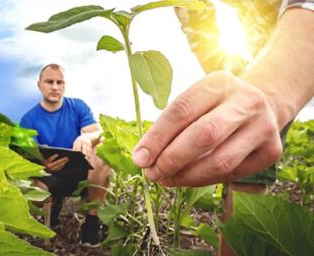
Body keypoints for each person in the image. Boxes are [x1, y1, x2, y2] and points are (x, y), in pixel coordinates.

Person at [133, 1, 313, 255]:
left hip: (293, 37)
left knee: (250, 161)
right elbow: (197, 19)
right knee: (236, 146)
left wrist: (269, 92)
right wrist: (229, 92)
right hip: (254, 46)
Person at [20, 63, 112, 246]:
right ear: (39, 85)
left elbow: (97, 132)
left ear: (64, 85)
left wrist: (87, 137)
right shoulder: (28, 119)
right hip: (50, 176)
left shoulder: (77, 106)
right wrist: (41, 166)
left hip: (82, 172)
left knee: (101, 151)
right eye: (49, 82)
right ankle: (51, 215)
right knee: (34, 187)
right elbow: (22, 159)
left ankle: (91, 225)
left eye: (59, 82)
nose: (55, 86)